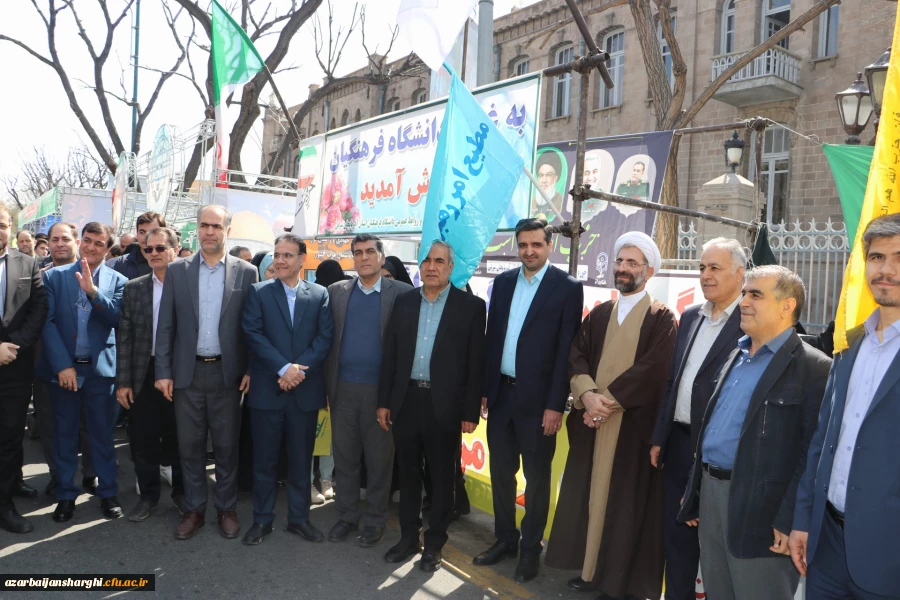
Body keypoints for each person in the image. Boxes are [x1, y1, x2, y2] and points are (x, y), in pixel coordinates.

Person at [678, 265, 831, 600]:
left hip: (765, 513)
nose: (744, 302)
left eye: (755, 295)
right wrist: (696, 491)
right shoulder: (736, 354)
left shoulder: (814, 368)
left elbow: (814, 455)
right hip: (713, 498)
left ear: (787, 306)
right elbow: (713, 430)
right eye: (744, 293)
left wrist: (789, 518)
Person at [546, 231, 677, 600]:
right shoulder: (601, 313)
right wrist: (587, 395)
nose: (623, 268)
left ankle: (617, 583)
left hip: (630, 429)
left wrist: (606, 403)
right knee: (590, 497)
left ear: (648, 271)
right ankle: (590, 571)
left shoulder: (662, 318)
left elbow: (654, 369)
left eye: (632, 263)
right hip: (592, 422)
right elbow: (577, 355)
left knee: (623, 505)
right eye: (620, 261)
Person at [790, 214, 900, 600]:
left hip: (888, 555)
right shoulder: (849, 344)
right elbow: (823, 440)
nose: (886, 270)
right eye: (877, 257)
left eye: (899, 257)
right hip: (826, 547)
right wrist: (804, 518)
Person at [474, 218, 583, 582]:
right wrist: (486, 389)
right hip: (501, 396)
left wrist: (555, 404)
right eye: (523, 245)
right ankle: (505, 539)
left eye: (536, 244)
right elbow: (492, 338)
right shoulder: (504, 283)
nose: (529, 251)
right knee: (501, 475)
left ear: (549, 245)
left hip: (539, 405)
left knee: (536, 480)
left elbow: (566, 350)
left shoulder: (567, 288)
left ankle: (530, 550)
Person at [377, 241, 486, 572]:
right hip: (407, 401)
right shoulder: (405, 301)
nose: (431, 266)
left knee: (441, 479)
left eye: (439, 261)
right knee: (408, 475)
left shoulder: (471, 307)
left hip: (445, 406)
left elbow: (475, 363)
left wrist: (469, 411)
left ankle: (435, 544)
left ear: (451, 268)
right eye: (426, 260)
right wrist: (384, 402)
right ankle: (408, 538)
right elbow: (391, 355)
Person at [154, 205, 259, 541]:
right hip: (187, 375)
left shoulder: (247, 272)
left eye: (216, 225)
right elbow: (166, 325)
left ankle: (226, 508)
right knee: (190, 447)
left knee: (226, 447)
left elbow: (252, 327)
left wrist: (251, 368)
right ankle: (194, 509)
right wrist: (163, 371)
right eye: (204, 225)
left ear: (227, 229)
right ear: (196, 229)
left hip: (228, 376)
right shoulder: (177, 270)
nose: (209, 231)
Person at [650, 237, 746, 600]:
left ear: (740, 274)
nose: (706, 275)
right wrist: (660, 436)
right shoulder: (691, 316)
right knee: (677, 542)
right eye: (702, 267)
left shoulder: (750, 320)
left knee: (718, 548)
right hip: (678, 445)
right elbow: (674, 381)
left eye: (715, 268)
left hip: (720, 454)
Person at [240, 233, 334, 545]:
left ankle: (299, 519)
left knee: (300, 461)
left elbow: (324, 338)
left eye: (287, 255)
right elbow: (253, 334)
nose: (279, 260)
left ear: (302, 259)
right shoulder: (259, 292)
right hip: (268, 391)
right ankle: (262, 519)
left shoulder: (319, 294)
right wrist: (283, 368)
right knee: (264, 462)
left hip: (303, 394)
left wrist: (296, 371)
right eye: (277, 255)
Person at [325, 234, 412, 548]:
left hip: (380, 394)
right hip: (343, 390)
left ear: (381, 257)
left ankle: (375, 521)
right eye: (358, 252)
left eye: (370, 252)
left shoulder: (402, 293)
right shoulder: (336, 292)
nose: (364, 257)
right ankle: (347, 516)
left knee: (379, 461)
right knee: (345, 457)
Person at [38, 222, 127, 522]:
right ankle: (66, 495)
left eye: (99, 243)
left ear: (108, 249)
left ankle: (108, 493)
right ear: (80, 241)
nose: (91, 247)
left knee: (102, 436)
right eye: (87, 240)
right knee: (64, 435)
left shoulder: (119, 280)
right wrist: (62, 365)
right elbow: (47, 323)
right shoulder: (54, 276)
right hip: (64, 371)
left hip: (100, 372)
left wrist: (93, 293)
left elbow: (117, 319)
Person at [116, 227, 185, 522]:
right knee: (142, 440)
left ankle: (183, 495)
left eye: (160, 248)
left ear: (175, 249)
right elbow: (125, 337)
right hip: (143, 373)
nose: (153, 253)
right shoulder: (135, 288)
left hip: (181, 375)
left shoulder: (189, 286)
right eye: (148, 249)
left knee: (180, 438)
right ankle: (148, 497)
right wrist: (123, 382)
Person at [33, 222, 98, 497]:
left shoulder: (95, 274)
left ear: (76, 242)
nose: (60, 244)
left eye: (66, 239)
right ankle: (58, 475)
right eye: (54, 239)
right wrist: (60, 363)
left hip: (90, 366)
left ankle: (92, 473)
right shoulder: (37, 276)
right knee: (51, 425)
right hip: (48, 365)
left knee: (89, 423)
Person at [0, 206, 48, 533]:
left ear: (11, 228)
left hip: (15, 369)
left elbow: (38, 308)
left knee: (10, 436)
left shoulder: (27, 263)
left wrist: (13, 345)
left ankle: (5, 502)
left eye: (2, 224)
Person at [111, 212, 166, 280]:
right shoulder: (122, 263)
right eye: (142, 232)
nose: (145, 237)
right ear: (137, 233)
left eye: (152, 232)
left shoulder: (171, 263)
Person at [529, 153, 564, 222]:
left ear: (556, 177)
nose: (544, 180)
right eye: (541, 175)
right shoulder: (531, 202)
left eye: (549, 175)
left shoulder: (561, 201)